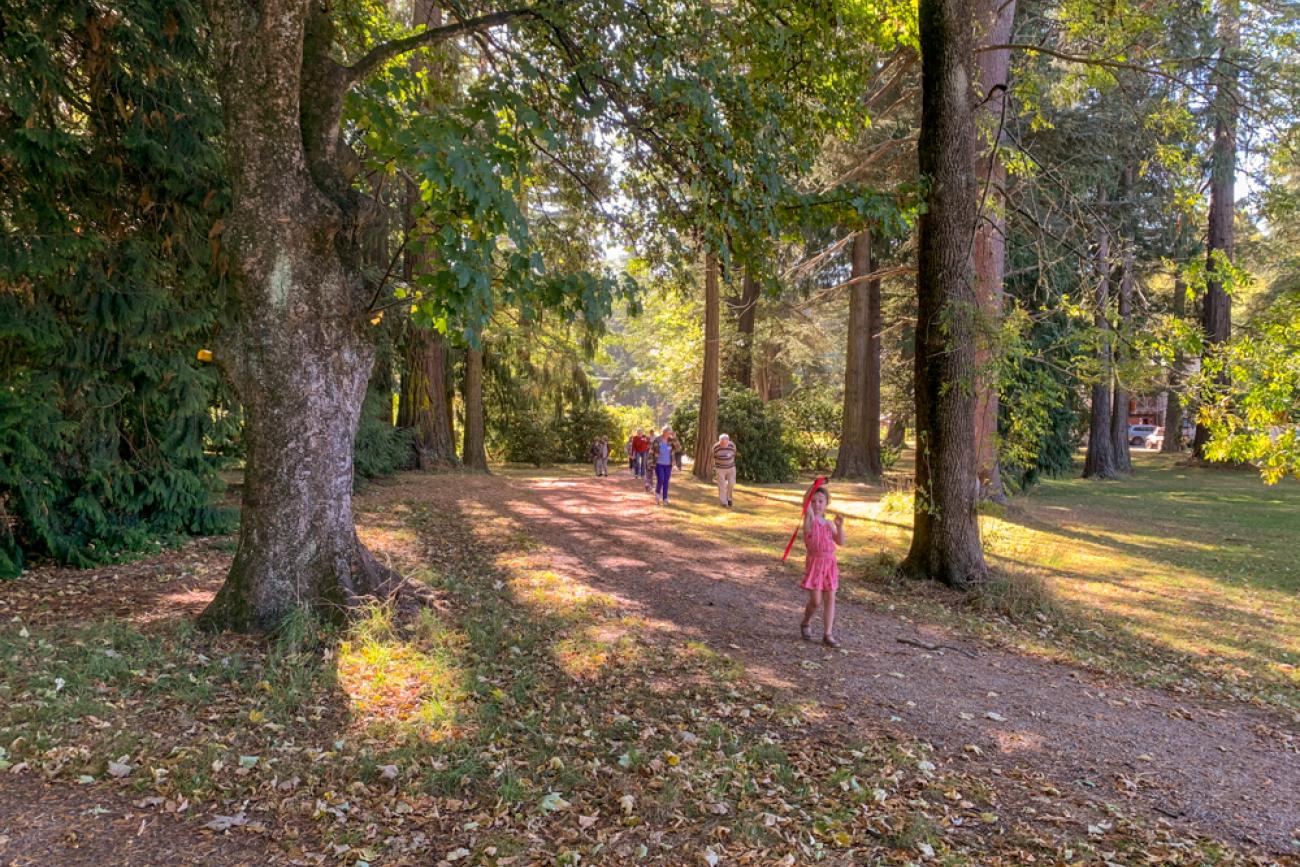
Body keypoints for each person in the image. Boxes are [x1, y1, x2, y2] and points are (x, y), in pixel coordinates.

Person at [799, 486, 844, 647]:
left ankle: (828, 634)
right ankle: (806, 622)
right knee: (816, 601)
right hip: (815, 564)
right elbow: (806, 502)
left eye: (820, 501)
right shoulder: (809, 519)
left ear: (826, 503)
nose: (817, 504)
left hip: (830, 564)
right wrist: (814, 485)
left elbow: (841, 542)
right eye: (813, 501)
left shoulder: (829, 524)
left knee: (830, 597)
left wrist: (839, 526)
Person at [650, 426, 680, 505]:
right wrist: (650, 463)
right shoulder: (657, 440)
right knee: (661, 479)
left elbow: (678, 448)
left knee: (666, 481)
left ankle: (665, 498)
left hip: (668, 465)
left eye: (670, 432)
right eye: (669, 432)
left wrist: (675, 438)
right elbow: (651, 452)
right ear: (664, 432)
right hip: (659, 464)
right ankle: (657, 495)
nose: (670, 434)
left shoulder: (671, 440)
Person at [712, 433, 738, 507]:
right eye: (722, 443)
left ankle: (729, 498)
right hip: (720, 468)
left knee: (731, 484)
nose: (724, 445)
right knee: (721, 485)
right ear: (719, 441)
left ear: (728, 441)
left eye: (725, 443)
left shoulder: (732, 445)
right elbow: (713, 456)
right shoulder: (715, 447)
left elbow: (734, 453)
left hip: (731, 468)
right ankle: (724, 502)